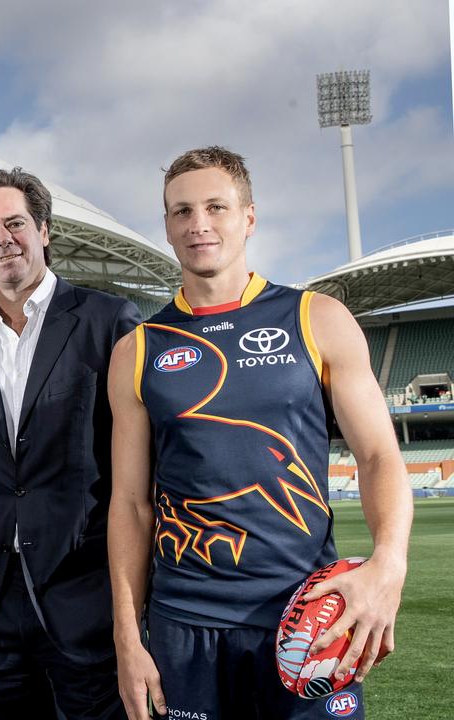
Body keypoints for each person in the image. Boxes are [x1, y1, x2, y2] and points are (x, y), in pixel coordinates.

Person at [108, 146, 412, 720]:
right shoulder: (137, 349)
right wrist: (127, 635)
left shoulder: (317, 318)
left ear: (248, 217)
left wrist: (388, 564)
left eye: (216, 207)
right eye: (181, 212)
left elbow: (376, 456)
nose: (199, 224)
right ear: (168, 228)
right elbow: (130, 504)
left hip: (307, 614)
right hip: (185, 626)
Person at [0, 168, 140, 718]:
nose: (3, 239)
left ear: (44, 230)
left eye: (15, 223)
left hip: (85, 598)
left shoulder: (108, 320)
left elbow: (139, 472)